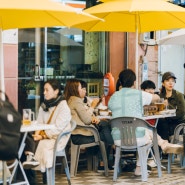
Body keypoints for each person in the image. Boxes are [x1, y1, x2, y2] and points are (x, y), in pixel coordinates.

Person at [108, 69, 183, 176]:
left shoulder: (114, 96)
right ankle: (161, 146)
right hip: (138, 138)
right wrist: (154, 96)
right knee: (149, 131)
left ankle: (163, 144)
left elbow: (110, 107)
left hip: (118, 139)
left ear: (120, 81)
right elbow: (157, 97)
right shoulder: (139, 94)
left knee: (145, 131)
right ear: (134, 82)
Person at [23, 79, 71, 175]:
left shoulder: (64, 107)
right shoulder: (44, 105)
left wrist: (41, 136)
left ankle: (30, 175)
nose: (44, 93)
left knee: (30, 144)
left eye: (47, 90)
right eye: (43, 90)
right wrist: (36, 135)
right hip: (44, 134)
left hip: (57, 138)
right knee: (24, 140)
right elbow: (40, 123)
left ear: (56, 91)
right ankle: (27, 176)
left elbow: (58, 129)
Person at [64, 79, 114, 172]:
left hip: (78, 134)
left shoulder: (71, 100)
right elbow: (87, 120)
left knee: (104, 126)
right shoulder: (76, 101)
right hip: (80, 136)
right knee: (106, 130)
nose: (84, 90)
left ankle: (105, 160)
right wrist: (93, 106)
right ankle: (113, 145)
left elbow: (84, 117)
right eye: (81, 87)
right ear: (74, 89)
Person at [157, 72, 185, 141]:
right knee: (160, 123)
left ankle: (166, 147)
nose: (170, 83)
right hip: (164, 124)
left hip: (177, 123)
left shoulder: (179, 95)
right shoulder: (160, 96)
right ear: (163, 83)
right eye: (167, 80)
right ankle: (163, 148)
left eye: (172, 81)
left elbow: (181, 113)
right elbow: (157, 111)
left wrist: (168, 107)